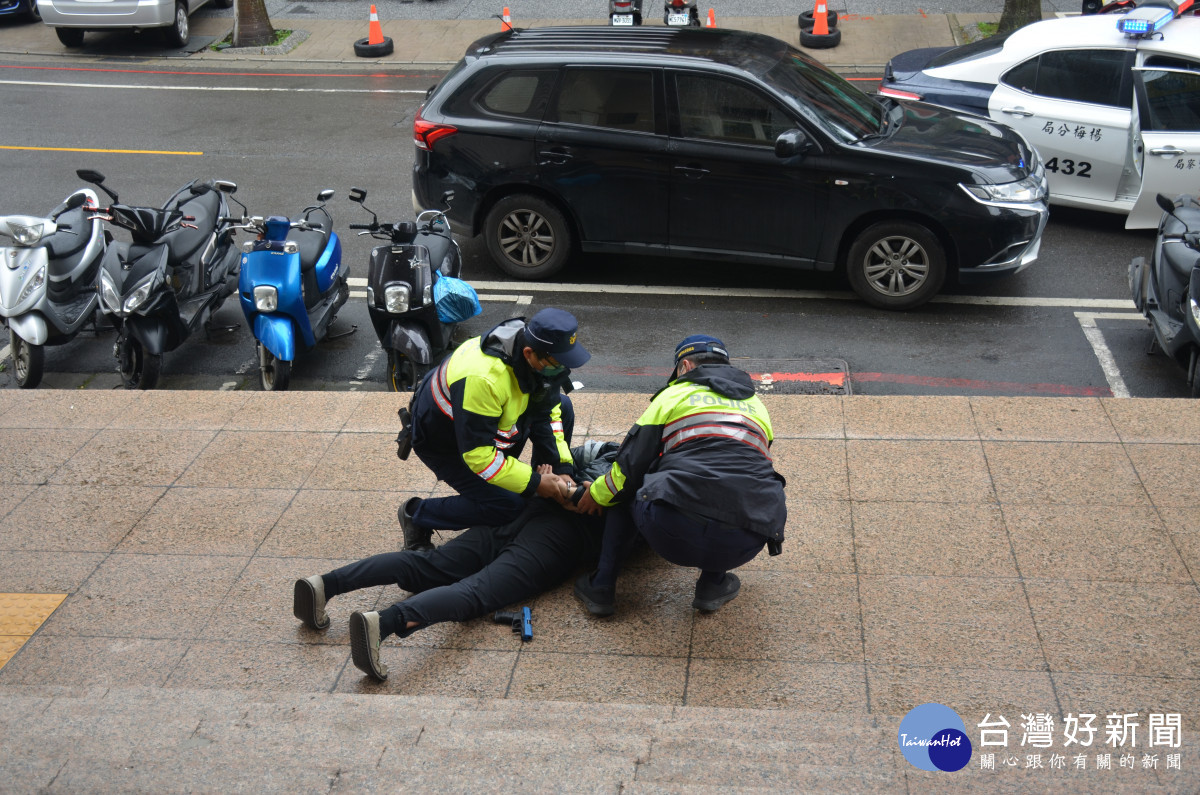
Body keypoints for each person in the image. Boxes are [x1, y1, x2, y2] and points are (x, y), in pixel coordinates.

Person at [293, 466, 602, 681]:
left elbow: (558, 468)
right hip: (558, 537)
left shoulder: (606, 450)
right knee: (477, 592)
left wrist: (559, 482)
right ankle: (384, 623)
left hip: (525, 508)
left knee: (429, 565)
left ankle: (324, 585)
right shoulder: (636, 477)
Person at [571, 334, 787, 616]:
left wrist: (596, 494)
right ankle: (713, 583)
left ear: (684, 366)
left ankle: (601, 587)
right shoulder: (758, 406)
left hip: (674, 533)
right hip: (748, 540)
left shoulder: (673, 396)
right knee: (734, 489)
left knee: (628, 487)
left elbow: (629, 467)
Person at [398, 308, 590, 552]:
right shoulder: (484, 378)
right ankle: (416, 515)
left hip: (486, 427)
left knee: (563, 407)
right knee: (507, 505)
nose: (563, 369)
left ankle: (547, 489)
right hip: (448, 443)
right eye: (557, 363)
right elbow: (479, 456)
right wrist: (534, 482)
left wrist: (561, 470)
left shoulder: (540, 356)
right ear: (529, 353)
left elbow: (548, 413)